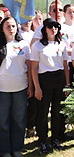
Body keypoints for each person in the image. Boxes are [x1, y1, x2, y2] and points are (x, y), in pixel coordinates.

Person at [31, 18, 69, 154]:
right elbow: (34, 68)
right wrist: (37, 88)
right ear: (44, 29)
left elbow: (65, 66)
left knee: (57, 111)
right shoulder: (38, 46)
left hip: (59, 79)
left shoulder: (62, 44)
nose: (53, 29)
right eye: (50, 26)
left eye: (56, 26)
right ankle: (42, 140)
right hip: (44, 79)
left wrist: (67, 84)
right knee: (42, 112)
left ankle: (56, 138)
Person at [0, 17, 32, 157]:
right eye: (7, 26)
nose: (11, 29)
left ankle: (17, 148)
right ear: (2, 28)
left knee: (19, 120)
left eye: (13, 26)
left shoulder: (24, 44)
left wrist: (31, 85)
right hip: (2, 89)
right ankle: (5, 150)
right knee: (3, 121)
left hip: (21, 87)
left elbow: (30, 67)